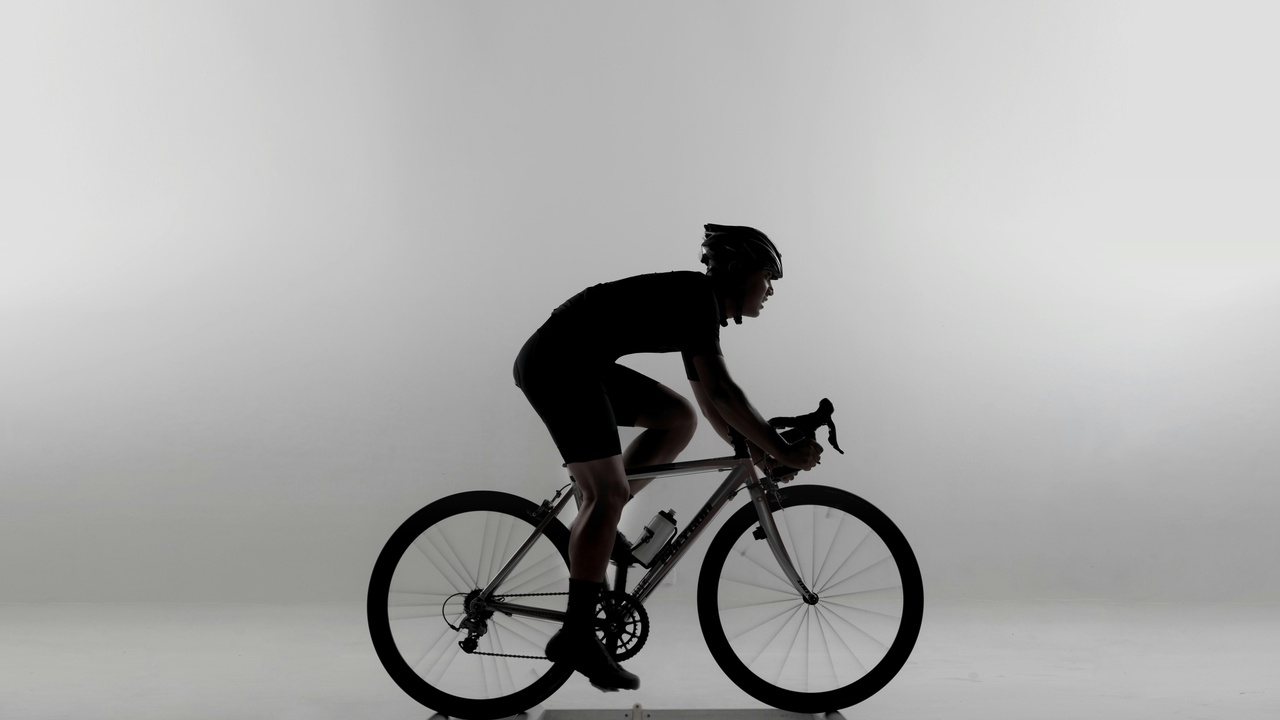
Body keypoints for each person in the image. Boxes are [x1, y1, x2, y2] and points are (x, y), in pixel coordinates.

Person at [512, 223, 823, 691]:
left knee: (677, 418)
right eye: (767, 276)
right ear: (740, 274)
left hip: (575, 362)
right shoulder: (697, 301)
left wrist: (759, 455)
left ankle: (598, 508)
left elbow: (711, 406)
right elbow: (723, 390)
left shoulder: (697, 306)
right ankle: (576, 633)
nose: (772, 290)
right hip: (560, 365)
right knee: (608, 492)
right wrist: (779, 450)